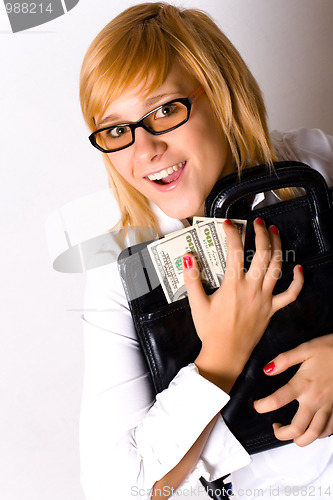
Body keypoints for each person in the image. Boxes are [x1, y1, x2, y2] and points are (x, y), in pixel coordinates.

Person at [78, 3, 333, 499]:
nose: (144, 150)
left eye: (164, 110)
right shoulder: (122, 274)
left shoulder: (320, 167)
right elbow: (116, 490)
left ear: (221, 93)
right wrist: (221, 356)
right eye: (116, 129)